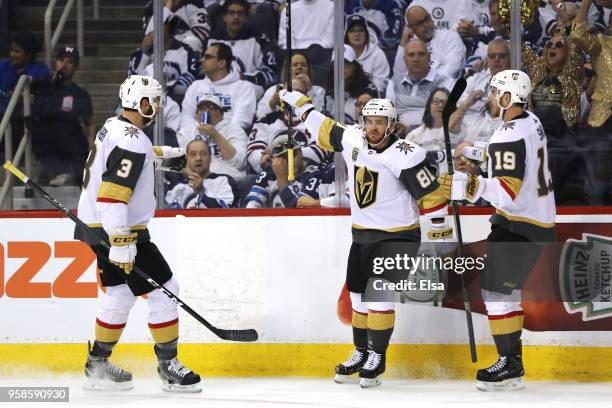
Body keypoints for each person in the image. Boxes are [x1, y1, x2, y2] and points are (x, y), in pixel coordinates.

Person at [278, 92, 453, 388]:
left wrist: (440, 237)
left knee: (379, 298)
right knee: (358, 297)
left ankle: (377, 356)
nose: (373, 127)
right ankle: (361, 353)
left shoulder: (407, 154)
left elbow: (433, 197)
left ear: (392, 125)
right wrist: (300, 104)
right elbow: (324, 127)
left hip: (398, 236)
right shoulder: (353, 138)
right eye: (369, 121)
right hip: (361, 235)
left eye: (380, 122)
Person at [74, 75, 201, 392]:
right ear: (144, 104)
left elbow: (120, 157)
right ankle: (169, 367)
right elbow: (113, 194)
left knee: (120, 294)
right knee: (165, 289)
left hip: (96, 227)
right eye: (154, 101)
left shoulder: (114, 126)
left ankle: (97, 365)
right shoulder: (133, 141)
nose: (156, 107)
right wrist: (120, 240)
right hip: (119, 230)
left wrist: (157, 155)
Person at [439, 70, 556, 391]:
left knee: (496, 293)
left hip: (520, 224)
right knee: (503, 292)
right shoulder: (530, 121)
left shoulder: (508, 135)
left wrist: (468, 184)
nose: (491, 98)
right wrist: (477, 151)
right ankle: (512, 362)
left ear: (508, 98)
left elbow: (505, 192)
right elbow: (519, 158)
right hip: (529, 220)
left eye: (495, 93)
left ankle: (510, 365)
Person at [29, 46, 95, 186]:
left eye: (69, 61)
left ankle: (70, 174)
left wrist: (91, 148)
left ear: (76, 66)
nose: (64, 64)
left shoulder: (80, 95)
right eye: (61, 60)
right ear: (55, 62)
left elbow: (89, 123)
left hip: (69, 143)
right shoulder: (41, 86)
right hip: (44, 141)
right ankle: (55, 172)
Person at [181, 42, 257, 131]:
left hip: (228, 140)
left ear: (221, 63)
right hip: (195, 139)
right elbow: (186, 118)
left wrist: (217, 137)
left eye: (208, 57)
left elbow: (240, 120)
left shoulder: (244, 87)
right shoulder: (195, 86)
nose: (202, 60)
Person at [245, 133, 332, 208]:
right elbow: (252, 205)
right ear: (274, 159)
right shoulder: (270, 173)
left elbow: (299, 208)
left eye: (292, 154)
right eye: (283, 157)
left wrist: (282, 178)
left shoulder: (314, 173)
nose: (290, 160)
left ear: (300, 152)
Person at [386, 39, 453, 133]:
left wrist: (409, 129)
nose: (416, 59)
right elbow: (388, 114)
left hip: (433, 135)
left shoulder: (444, 82)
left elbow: (443, 118)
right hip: (399, 136)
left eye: (421, 54)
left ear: (429, 58)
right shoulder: (395, 82)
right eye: (411, 55)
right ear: (405, 60)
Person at [177, 93, 247, 181]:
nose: (207, 111)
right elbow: (181, 163)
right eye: (202, 108)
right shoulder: (186, 132)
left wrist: (215, 135)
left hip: (227, 179)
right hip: (195, 181)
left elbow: (239, 162)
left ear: (221, 114)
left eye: (212, 108)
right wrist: (198, 180)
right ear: (196, 114)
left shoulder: (234, 130)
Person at [394, 5, 466, 79]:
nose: (426, 25)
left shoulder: (450, 37)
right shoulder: (411, 44)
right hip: (415, 88)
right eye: (419, 23)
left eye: (427, 18)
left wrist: (428, 85)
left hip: (445, 88)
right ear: (410, 28)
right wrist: (403, 43)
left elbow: (453, 70)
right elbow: (398, 76)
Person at [406, 87, 464, 174]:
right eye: (436, 101)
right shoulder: (414, 136)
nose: (440, 105)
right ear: (428, 106)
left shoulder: (462, 131)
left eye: (444, 102)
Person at [165, 139, 237, 208]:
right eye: (193, 154)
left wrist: (201, 191)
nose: (198, 158)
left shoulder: (223, 181)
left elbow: (224, 214)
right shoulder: (178, 188)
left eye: (203, 154)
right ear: (187, 159)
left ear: (210, 158)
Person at [256, 51, 326, 120]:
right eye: (295, 65)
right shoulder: (275, 89)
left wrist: (309, 90)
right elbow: (260, 116)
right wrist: (272, 104)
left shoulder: (318, 91)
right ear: (287, 70)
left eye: (303, 65)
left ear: (308, 70)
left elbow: (322, 118)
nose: (299, 67)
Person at [325, 45, 379, 124]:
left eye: (345, 63)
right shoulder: (329, 89)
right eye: (337, 63)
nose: (341, 67)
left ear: (354, 66)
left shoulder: (368, 88)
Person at [345, 14, 390, 94]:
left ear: (367, 33)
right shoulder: (339, 53)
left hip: (370, 98)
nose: (357, 34)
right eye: (352, 31)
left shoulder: (378, 54)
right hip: (345, 98)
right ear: (346, 35)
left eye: (361, 30)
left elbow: (380, 84)